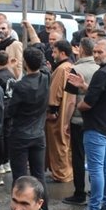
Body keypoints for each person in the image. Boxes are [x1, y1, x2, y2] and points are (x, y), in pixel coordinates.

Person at [67, 37, 106, 210]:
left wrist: (81, 104)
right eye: (95, 52)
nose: (97, 55)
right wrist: (84, 86)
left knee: (96, 170)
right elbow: (101, 94)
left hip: (96, 128)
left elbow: (88, 104)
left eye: (100, 52)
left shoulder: (103, 73)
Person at [7, 46, 50, 185]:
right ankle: (43, 207)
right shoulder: (46, 77)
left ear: (25, 63)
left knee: (20, 176)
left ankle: (20, 206)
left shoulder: (21, 86)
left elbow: (11, 110)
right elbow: (42, 62)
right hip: (38, 133)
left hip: (20, 135)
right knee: (39, 175)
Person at [63, 38, 96, 203]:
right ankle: (94, 190)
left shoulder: (75, 70)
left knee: (78, 156)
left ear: (81, 50)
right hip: (95, 120)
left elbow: (70, 101)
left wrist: (65, 122)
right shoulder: (99, 69)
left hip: (77, 120)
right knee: (95, 158)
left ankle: (79, 193)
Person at [46, 40, 76, 184]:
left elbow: (55, 93)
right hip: (67, 112)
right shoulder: (70, 66)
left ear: (62, 53)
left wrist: (52, 110)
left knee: (59, 144)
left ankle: (62, 173)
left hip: (58, 114)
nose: (52, 54)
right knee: (65, 144)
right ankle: (66, 172)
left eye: (54, 52)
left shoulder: (62, 69)